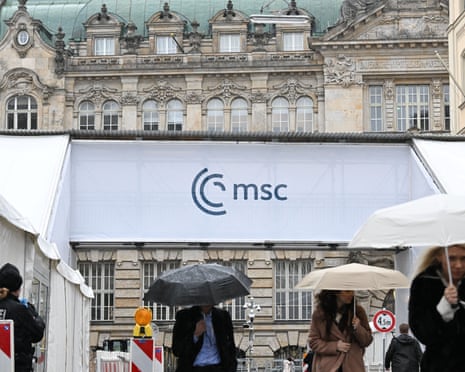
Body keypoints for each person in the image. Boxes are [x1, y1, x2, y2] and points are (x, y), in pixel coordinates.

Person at [409, 244, 465, 371]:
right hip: (439, 365)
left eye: (463, 259)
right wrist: (444, 308)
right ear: (440, 257)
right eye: (452, 258)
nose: (458, 265)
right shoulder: (424, 283)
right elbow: (422, 332)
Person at [309, 290, 373, 372]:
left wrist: (358, 327)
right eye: (347, 292)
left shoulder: (358, 312)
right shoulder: (320, 314)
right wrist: (335, 346)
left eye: (352, 292)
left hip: (352, 365)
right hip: (329, 366)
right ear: (336, 293)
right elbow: (313, 342)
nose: (351, 294)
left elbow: (367, 341)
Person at [0, 263, 45, 372]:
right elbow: (37, 334)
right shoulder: (20, 309)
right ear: (17, 288)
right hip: (18, 366)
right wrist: (33, 313)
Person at [172, 304, 237, 372]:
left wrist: (232, 367)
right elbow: (177, 350)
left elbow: (230, 346)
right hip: (194, 368)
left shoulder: (223, 316)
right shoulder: (184, 316)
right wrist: (195, 335)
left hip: (218, 368)